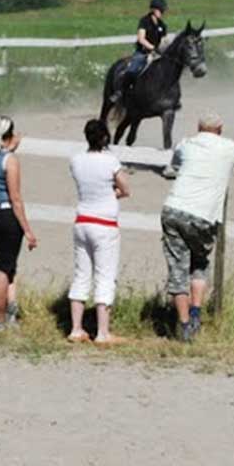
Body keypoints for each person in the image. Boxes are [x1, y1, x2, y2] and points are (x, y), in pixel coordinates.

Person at [161, 112, 234, 342]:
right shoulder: (228, 147)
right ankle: (195, 313)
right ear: (220, 129)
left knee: (177, 269)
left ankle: (183, 327)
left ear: (198, 127)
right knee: (199, 262)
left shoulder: (185, 144)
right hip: (202, 215)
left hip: (173, 209)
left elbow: (174, 165)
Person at [67, 119, 131, 346]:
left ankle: (76, 328)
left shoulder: (76, 160)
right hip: (104, 223)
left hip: (82, 220)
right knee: (105, 275)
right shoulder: (110, 161)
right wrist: (112, 193)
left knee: (81, 274)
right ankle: (103, 332)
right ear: (104, 137)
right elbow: (125, 188)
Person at [0, 116, 38, 331]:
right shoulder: (10, 161)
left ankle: (11, 310)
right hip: (6, 216)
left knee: (8, 263)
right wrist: (28, 230)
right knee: (3, 268)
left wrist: (10, 147)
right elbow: (16, 198)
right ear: (11, 134)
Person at [110, 0, 168, 105]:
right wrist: (152, 47)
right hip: (143, 52)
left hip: (156, 53)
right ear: (154, 10)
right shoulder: (144, 21)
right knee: (132, 69)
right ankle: (120, 92)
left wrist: (162, 49)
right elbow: (141, 38)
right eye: (161, 10)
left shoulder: (162, 25)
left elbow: (164, 40)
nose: (163, 13)